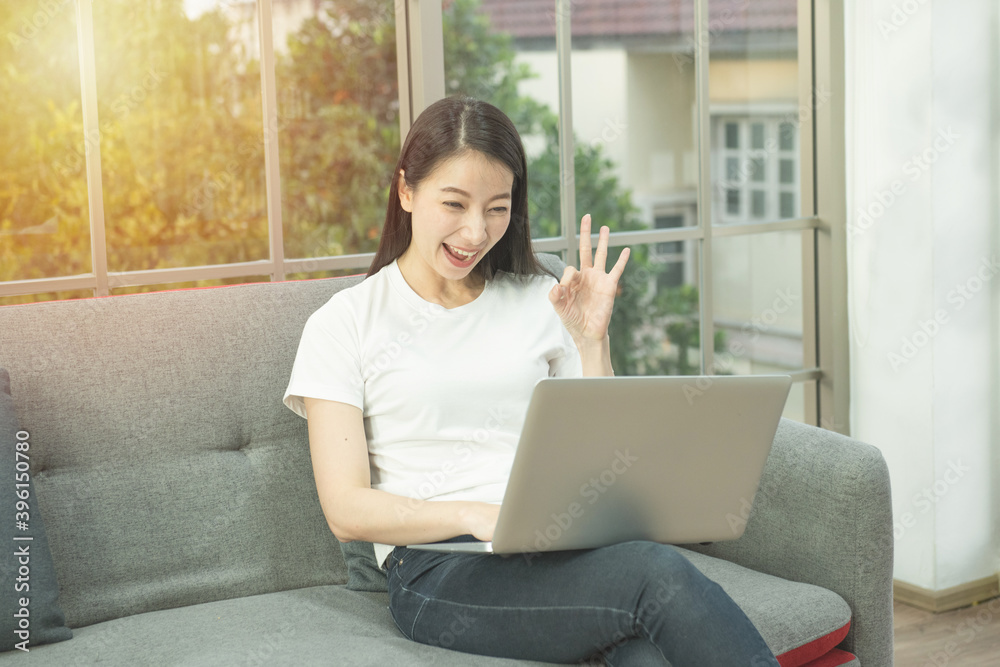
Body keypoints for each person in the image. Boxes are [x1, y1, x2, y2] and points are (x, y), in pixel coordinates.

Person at [282, 96, 779, 666]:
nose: (476, 231)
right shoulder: (345, 322)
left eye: (497, 208)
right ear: (406, 191)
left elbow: (607, 454)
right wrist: (475, 514)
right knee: (654, 575)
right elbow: (346, 509)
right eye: (454, 203)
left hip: (557, 547)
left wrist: (592, 341)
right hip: (439, 569)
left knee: (644, 656)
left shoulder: (540, 298)